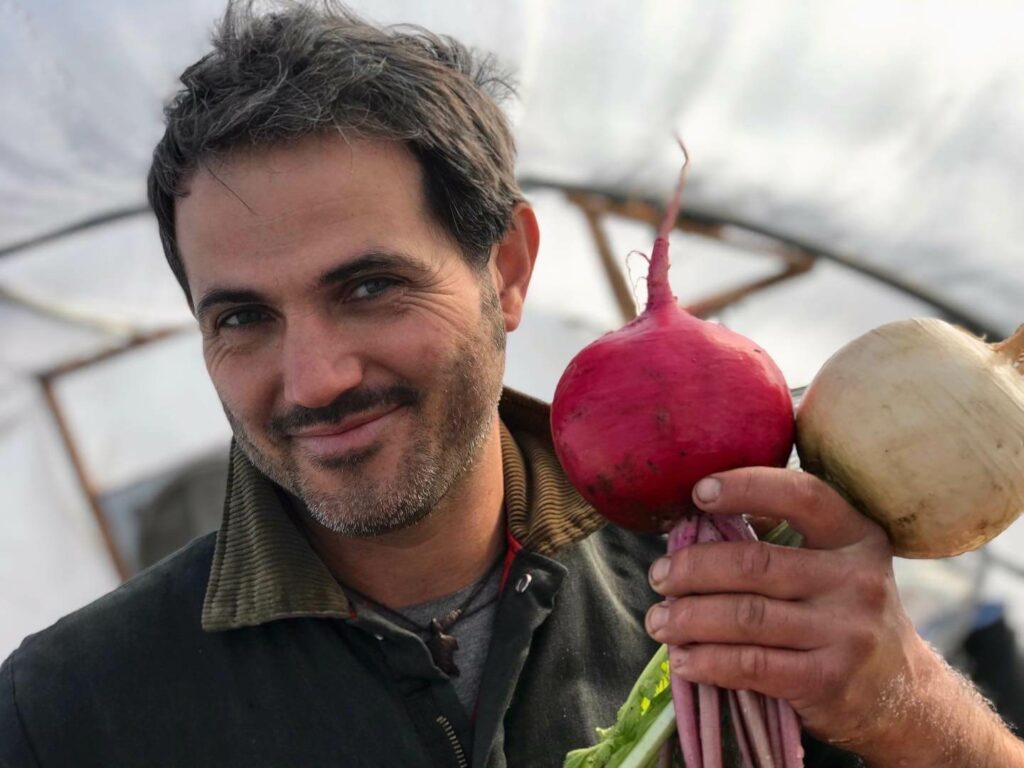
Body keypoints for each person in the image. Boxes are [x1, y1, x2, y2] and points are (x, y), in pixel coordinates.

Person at [1, 3, 1022, 766]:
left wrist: (902, 703)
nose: (313, 378)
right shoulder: (64, 713)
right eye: (242, 319)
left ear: (508, 270)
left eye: (367, 286)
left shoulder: (758, 594)